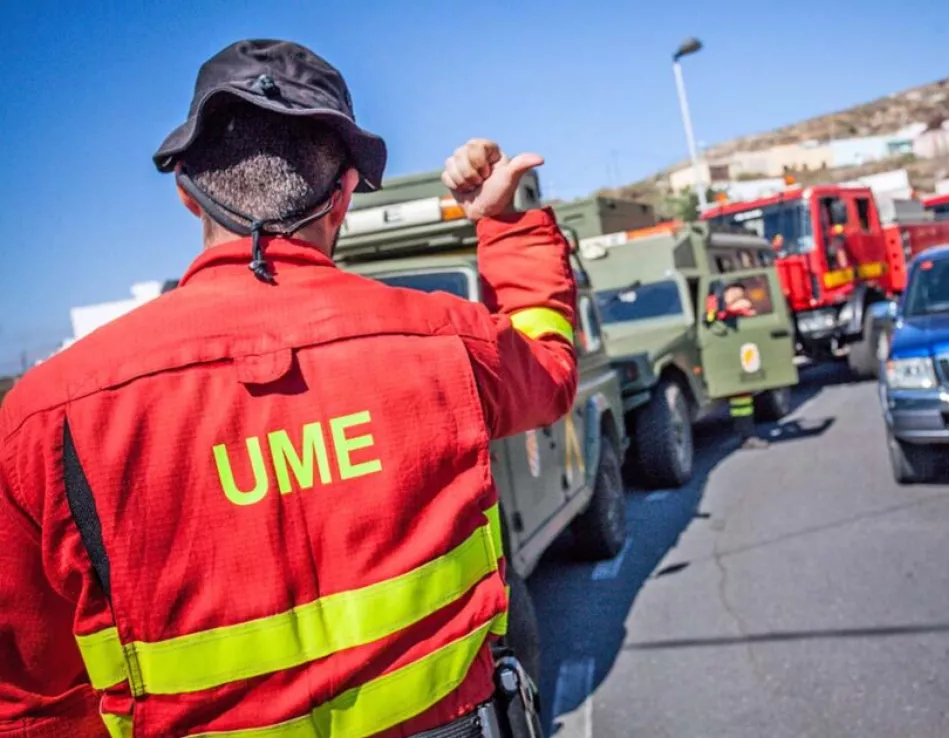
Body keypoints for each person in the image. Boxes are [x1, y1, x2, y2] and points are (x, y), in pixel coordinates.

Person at [0, 39, 576, 737]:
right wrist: (506, 223)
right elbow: (550, 369)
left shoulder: (42, 420)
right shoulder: (450, 341)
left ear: (187, 194)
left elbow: (32, 703)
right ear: (341, 198)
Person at [706, 283, 768, 450]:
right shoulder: (716, 307)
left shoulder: (731, 308)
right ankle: (748, 436)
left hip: (738, 363)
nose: (741, 296)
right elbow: (711, 319)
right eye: (737, 293)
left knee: (743, 405)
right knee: (741, 406)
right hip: (730, 362)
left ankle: (747, 435)